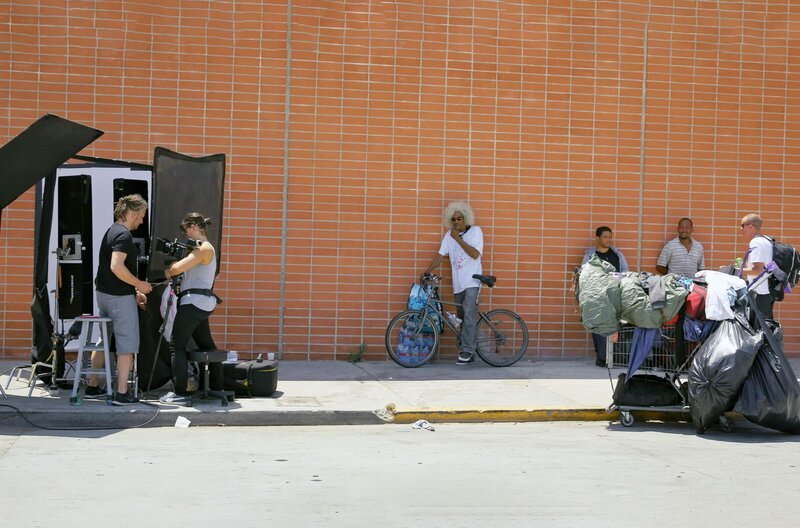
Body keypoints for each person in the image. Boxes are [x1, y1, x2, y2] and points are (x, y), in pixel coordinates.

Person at [89, 194, 153, 404]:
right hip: (118, 299)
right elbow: (116, 267)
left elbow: (110, 271)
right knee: (127, 344)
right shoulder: (123, 236)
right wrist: (139, 284)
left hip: (105, 295)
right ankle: (122, 392)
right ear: (133, 213)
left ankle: (92, 385)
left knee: (104, 340)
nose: (142, 221)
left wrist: (133, 292)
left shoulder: (110, 231)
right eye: (141, 216)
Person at [159, 213, 222, 404]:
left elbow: (177, 269)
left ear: (194, 227)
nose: (186, 235)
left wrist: (170, 269)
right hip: (201, 305)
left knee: (176, 345)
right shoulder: (203, 250)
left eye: (186, 230)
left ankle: (179, 393)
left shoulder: (202, 249)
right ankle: (217, 387)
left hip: (193, 303)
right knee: (208, 346)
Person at [420, 201, 484, 365]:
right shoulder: (449, 236)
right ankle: (470, 351)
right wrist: (427, 272)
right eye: (454, 219)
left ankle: (467, 351)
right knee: (462, 318)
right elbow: (440, 255)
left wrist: (459, 240)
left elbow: (475, 254)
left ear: (466, 219)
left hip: (472, 280)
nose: (456, 222)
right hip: (458, 284)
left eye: (459, 219)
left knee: (469, 315)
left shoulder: (475, 232)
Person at [581, 226, 629, 366]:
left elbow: (625, 271)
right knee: (598, 325)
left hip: (615, 295)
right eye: (605, 237)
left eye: (610, 237)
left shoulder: (617, 255)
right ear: (597, 238)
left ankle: (614, 356)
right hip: (597, 296)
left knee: (616, 325)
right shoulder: (590, 256)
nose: (608, 239)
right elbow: (585, 273)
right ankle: (601, 355)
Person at [740, 213, 774, 324]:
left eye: (742, 225)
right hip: (767, 292)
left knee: (759, 329)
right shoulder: (767, 241)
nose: (741, 229)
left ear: (750, 226)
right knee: (766, 327)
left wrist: (737, 270)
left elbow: (758, 270)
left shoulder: (756, 242)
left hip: (758, 292)